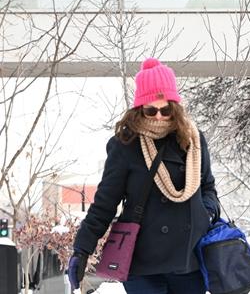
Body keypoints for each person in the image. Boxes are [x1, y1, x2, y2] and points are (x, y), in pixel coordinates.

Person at [68, 58, 219, 294]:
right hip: (142, 263)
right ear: (140, 108)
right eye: (151, 110)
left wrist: (206, 211)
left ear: (174, 107)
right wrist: (82, 249)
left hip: (189, 260)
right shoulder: (126, 145)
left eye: (165, 110)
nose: (158, 116)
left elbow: (207, 186)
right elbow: (105, 204)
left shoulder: (193, 140)